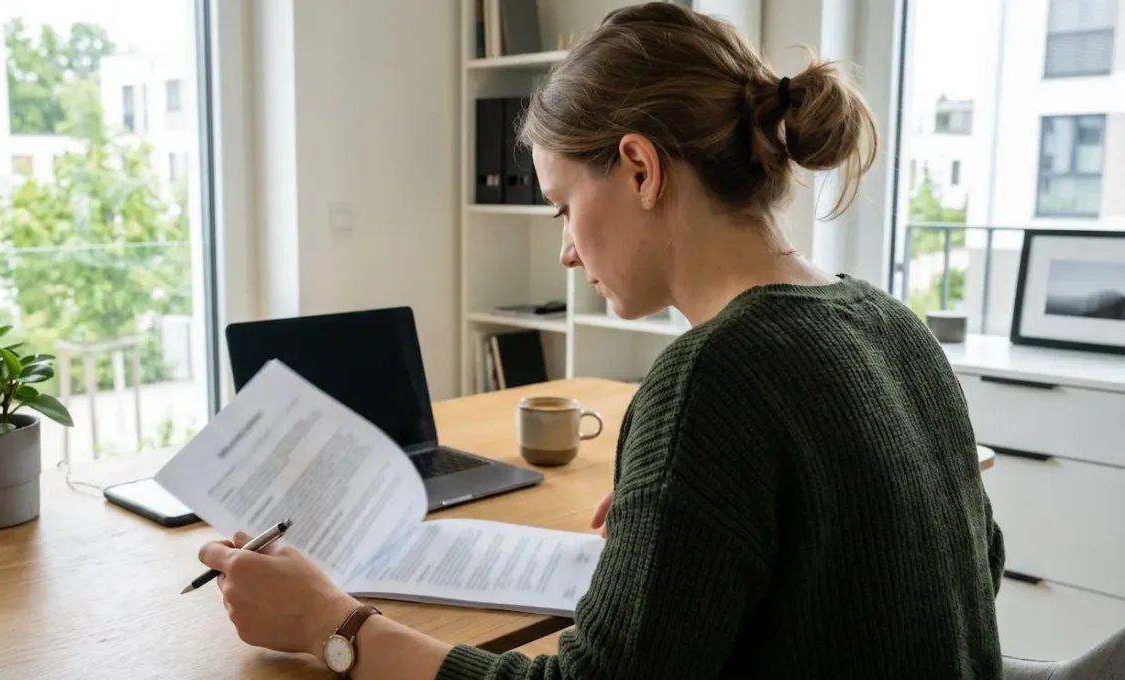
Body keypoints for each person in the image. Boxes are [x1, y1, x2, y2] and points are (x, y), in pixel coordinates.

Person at [197, 3, 1005, 678]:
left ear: (641, 168)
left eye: (561, 205)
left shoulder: (713, 376)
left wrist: (333, 627)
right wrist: (712, 531)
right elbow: (974, 568)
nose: (567, 250)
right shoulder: (893, 324)